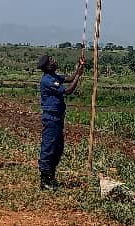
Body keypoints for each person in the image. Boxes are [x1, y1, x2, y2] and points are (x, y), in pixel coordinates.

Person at [36, 54, 84, 190]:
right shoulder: (47, 80)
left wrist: (78, 69)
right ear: (47, 66)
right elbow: (68, 91)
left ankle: (51, 176)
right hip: (51, 118)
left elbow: (68, 79)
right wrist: (79, 76)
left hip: (57, 118)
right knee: (49, 147)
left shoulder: (54, 77)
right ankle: (45, 179)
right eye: (51, 61)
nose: (54, 61)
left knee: (58, 148)